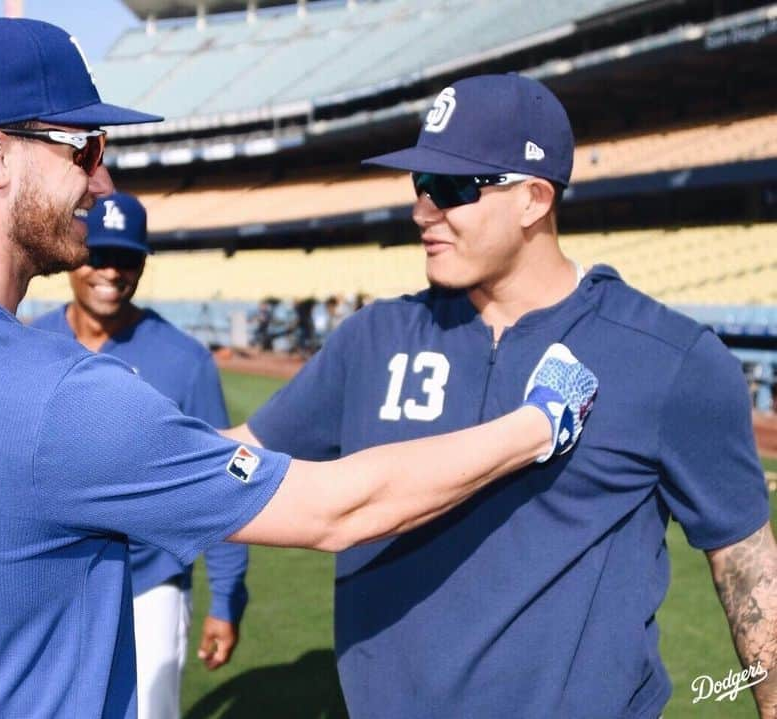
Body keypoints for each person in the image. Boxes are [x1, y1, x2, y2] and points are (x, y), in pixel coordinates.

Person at [0, 22, 598, 719]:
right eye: (86, 147)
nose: (104, 179)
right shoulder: (56, 399)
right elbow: (340, 507)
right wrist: (538, 424)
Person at [228, 73, 777, 718]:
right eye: (420, 185)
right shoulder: (370, 339)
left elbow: (747, 569)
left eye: (453, 189)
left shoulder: (670, 358)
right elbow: (243, 460)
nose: (422, 211)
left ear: (533, 199)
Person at [32, 191, 247, 719]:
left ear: (143, 263)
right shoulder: (29, 346)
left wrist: (225, 599)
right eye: (97, 255)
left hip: (149, 583)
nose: (110, 270)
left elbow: (222, 484)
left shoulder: (185, 361)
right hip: (52, 580)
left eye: (126, 257)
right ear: (73, 255)